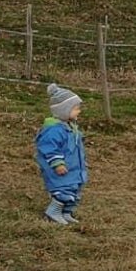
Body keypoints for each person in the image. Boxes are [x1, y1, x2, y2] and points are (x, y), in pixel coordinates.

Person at [35, 84, 88, 224]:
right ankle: (53, 212)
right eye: (76, 108)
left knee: (73, 190)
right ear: (64, 110)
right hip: (60, 168)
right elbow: (49, 148)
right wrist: (57, 163)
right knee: (63, 190)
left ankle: (66, 212)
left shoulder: (70, 127)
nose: (79, 111)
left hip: (73, 167)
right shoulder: (54, 130)